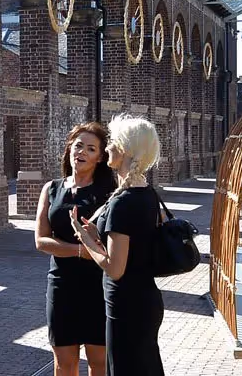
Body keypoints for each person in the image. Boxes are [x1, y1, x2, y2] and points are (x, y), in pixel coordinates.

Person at [71, 114, 164, 376]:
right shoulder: (146, 192)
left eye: (112, 141)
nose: (108, 146)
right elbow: (134, 248)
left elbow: (115, 269)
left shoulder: (123, 202)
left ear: (124, 149)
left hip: (127, 306)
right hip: (143, 300)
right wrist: (98, 237)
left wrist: (87, 240)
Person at [35, 123, 119, 376]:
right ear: (69, 147)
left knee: (99, 362)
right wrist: (82, 251)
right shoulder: (51, 189)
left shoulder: (109, 194)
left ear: (100, 157)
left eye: (90, 148)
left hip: (97, 285)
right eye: (78, 145)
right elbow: (41, 241)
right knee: (64, 363)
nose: (81, 152)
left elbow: (112, 243)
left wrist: (80, 248)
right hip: (61, 285)